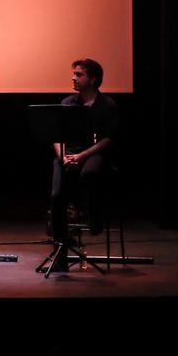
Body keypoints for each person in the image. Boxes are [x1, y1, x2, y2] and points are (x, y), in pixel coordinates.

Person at [49, 58, 119, 265]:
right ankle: (60, 253)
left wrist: (81, 156)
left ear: (93, 78)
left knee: (90, 173)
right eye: (74, 74)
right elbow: (55, 135)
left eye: (79, 74)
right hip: (67, 154)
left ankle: (93, 213)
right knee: (57, 196)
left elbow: (108, 139)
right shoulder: (67, 103)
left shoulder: (107, 105)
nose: (74, 78)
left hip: (92, 154)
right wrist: (63, 157)